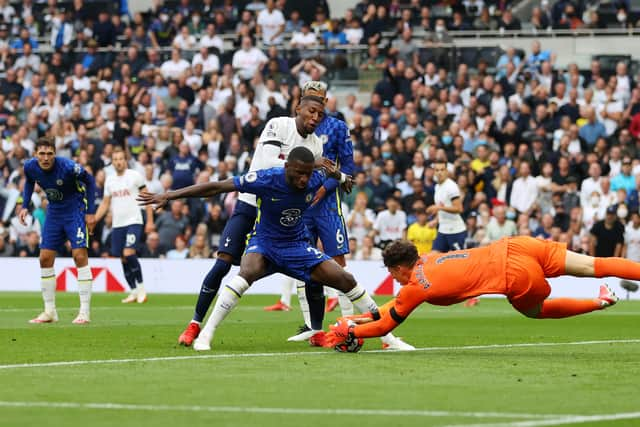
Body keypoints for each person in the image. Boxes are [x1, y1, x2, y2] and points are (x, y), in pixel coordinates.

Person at [138, 147, 380, 351]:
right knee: (246, 272)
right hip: (264, 243)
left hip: (296, 245)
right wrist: (170, 196)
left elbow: (334, 175)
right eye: (299, 174)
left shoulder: (314, 176)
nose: (304, 180)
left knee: (345, 278)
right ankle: (206, 334)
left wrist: (342, 178)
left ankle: (385, 334)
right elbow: (216, 187)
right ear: (287, 168)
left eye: (307, 174)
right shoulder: (266, 179)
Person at [172, 93, 328, 346]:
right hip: (250, 201)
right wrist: (309, 163)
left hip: (282, 212)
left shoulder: (317, 144)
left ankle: (316, 331)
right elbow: (267, 164)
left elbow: (307, 181)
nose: (315, 117)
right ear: (298, 108)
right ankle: (194, 324)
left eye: (320, 115)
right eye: (311, 111)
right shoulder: (278, 125)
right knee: (223, 262)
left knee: (311, 268)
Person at [324, 236, 632, 347]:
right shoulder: (428, 258)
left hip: (513, 274)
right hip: (517, 245)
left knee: (536, 311)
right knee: (596, 265)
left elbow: (386, 325)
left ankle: (598, 301)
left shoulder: (415, 287)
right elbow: (388, 309)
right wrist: (360, 318)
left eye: (392, 274)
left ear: (399, 268)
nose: (394, 279)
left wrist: (350, 332)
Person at [20, 137, 96, 324]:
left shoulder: (68, 167)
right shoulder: (30, 167)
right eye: (42, 154)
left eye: (49, 154)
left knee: (79, 256)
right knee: (44, 258)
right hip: (54, 211)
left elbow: (90, 180)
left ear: (55, 154)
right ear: (36, 154)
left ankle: (84, 312)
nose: (46, 158)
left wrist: (91, 212)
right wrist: (24, 205)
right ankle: (49, 311)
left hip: (75, 210)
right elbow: (30, 182)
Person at [94, 147, 153, 304]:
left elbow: (147, 198)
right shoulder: (110, 180)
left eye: (121, 159)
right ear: (112, 162)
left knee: (129, 253)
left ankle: (141, 290)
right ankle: (133, 291)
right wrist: (94, 219)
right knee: (122, 258)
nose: (119, 162)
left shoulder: (135, 176)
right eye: (115, 159)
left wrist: (150, 220)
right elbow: (105, 204)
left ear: (125, 160)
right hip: (118, 223)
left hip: (134, 220)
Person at [427, 159, 466, 253]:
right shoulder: (437, 186)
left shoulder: (451, 187)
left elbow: (459, 208)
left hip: (455, 230)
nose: (440, 172)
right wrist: (436, 220)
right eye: (437, 170)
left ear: (447, 171)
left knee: (458, 262)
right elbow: (442, 206)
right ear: (434, 172)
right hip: (443, 230)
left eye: (442, 170)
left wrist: (438, 208)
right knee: (433, 257)